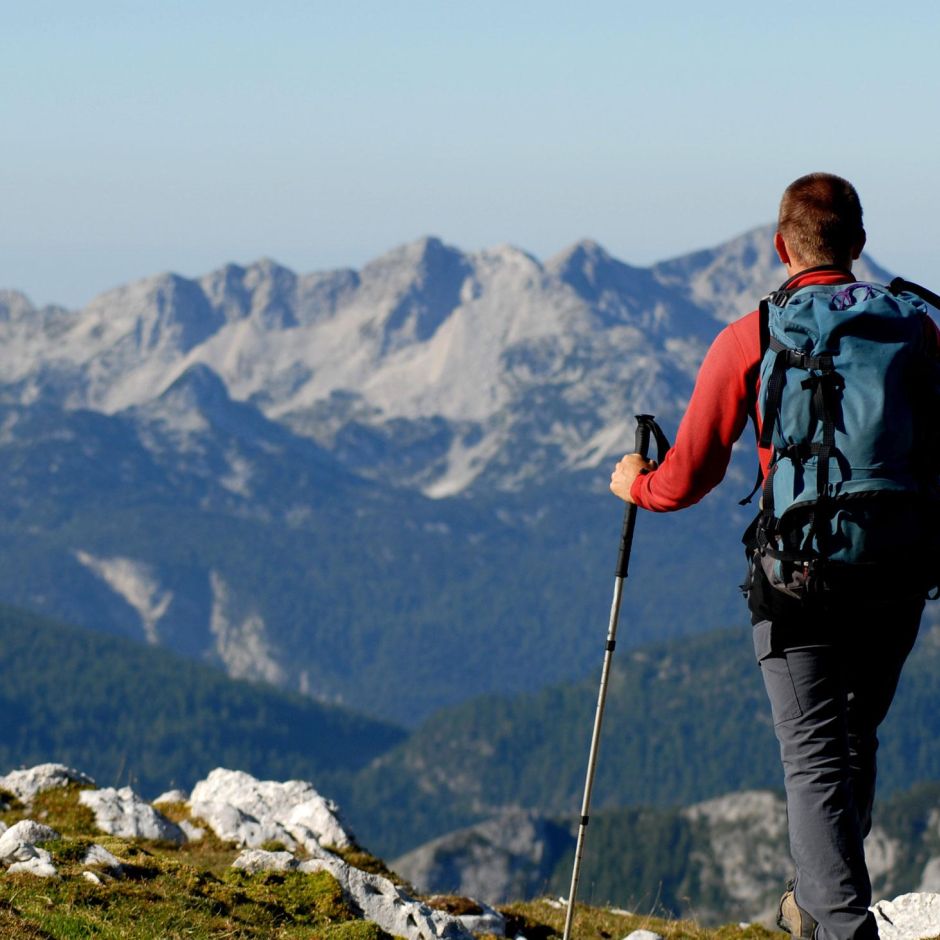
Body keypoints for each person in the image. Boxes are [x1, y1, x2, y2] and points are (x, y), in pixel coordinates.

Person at [609, 173, 938, 940]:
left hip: (798, 587)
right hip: (896, 577)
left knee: (816, 759)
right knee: (852, 744)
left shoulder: (749, 338)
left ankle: (838, 925)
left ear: (780, 248)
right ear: (858, 245)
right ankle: (816, 910)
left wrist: (638, 486)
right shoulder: (920, 326)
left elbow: (689, 476)